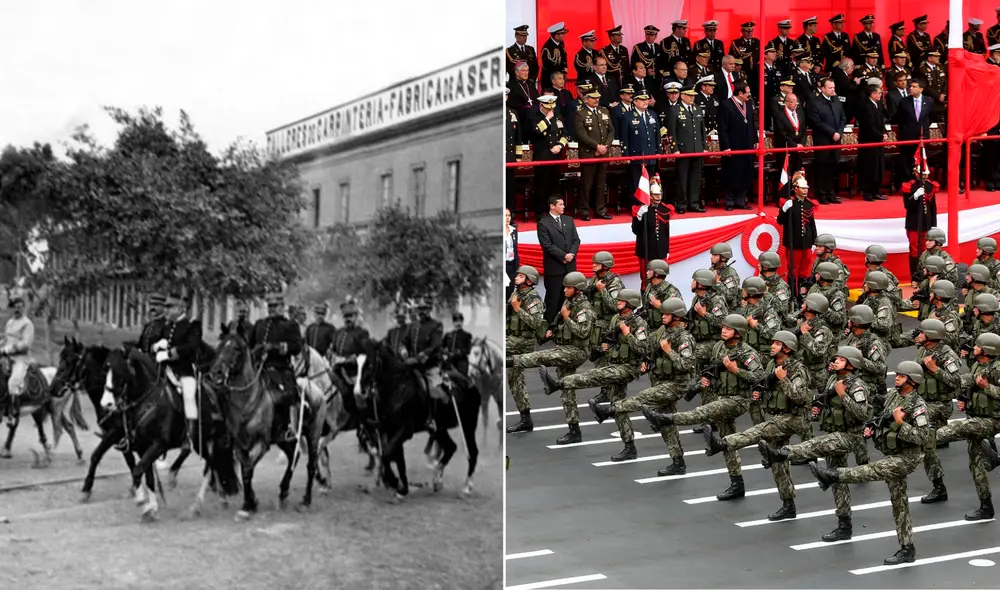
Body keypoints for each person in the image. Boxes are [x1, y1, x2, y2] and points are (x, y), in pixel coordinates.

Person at [807, 360, 930, 565]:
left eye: (902, 376)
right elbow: (882, 416)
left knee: (872, 470)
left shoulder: (918, 406)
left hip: (907, 458)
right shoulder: (893, 395)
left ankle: (833, 475)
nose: (897, 378)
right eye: (897, 375)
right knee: (899, 503)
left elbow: (922, 437)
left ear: (913, 381)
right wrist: (873, 427)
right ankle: (907, 548)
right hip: (893, 454)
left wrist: (901, 424)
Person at [642, 314, 765, 500]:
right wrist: (708, 380)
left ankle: (665, 419)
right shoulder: (718, 347)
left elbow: (760, 378)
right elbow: (712, 370)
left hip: (739, 400)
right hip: (722, 396)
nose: (723, 330)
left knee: (702, 412)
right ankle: (737, 484)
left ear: (738, 333)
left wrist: (736, 370)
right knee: (728, 442)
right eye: (723, 327)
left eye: (728, 328)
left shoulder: (747, 353)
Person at [758, 346, 872, 543]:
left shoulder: (857, 386)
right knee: (837, 480)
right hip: (833, 432)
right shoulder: (833, 379)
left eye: (841, 359)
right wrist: (818, 409)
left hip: (849, 436)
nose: (835, 361)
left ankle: (783, 454)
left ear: (851, 364)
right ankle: (844, 525)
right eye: (836, 358)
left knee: (814, 445)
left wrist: (843, 395)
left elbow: (862, 414)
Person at [706, 331, 810, 519]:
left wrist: (783, 379)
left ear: (787, 349)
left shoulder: (797, 369)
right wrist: (761, 393)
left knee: (758, 431)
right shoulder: (771, 364)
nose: (772, 346)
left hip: (793, 419)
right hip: (778, 416)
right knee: (778, 464)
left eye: (777, 344)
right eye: (772, 343)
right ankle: (788, 505)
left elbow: (799, 397)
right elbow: (768, 387)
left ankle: (723, 444)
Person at [545, 289, 650, 462]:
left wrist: (627, 333)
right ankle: (629, 447)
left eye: (622, 300)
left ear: (630, 304)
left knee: (594, 376)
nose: (617, 302)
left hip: (629, 368)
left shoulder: (639, 323)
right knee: (619, 407)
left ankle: (559, 384)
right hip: (615, 364)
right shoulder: (615, 319)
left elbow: (643, 349)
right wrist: (605, 347)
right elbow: (611, 342)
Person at [507, 272, 594, 444]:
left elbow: (583, 332)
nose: (564, 290)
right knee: (567, 391)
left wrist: (567, 317)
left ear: (577, 289)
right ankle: (574, 431)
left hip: (576, 351)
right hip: (565, 348)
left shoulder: (584, 308)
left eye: (568, 288)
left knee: (542, 356)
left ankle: (509, 361)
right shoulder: (569, 302)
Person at [936, 332, 1000, 520]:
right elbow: (965, 382)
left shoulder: (998, 368)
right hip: (979, 417)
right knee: (976, 465)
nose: (974, 347)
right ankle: (986, 506)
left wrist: (987, 387)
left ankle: (927, 437)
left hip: (993, 420)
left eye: (978, 345)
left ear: (986, 350)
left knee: (956, 429)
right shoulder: (978, 365)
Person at [248, 291, 302, 442]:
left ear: (282, 306)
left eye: (274, 306)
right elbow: (250, 345)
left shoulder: (290, 325)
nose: (271, 309)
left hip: (281, 368)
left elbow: (297, 346)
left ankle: (290, 427)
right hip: (260, 369)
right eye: (269, 306)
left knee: (289, 393)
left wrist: (276, 347)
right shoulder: (259, 325)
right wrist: (257, 350)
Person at [152, 292, 203, 450]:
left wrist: (169, 353)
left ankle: (189, 436)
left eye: (170, 307)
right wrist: (156, 346)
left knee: (189, 396)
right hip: (164, 370)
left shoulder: (192, 325)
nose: (166, 310)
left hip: (184, 371)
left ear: (181, 309)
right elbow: (155, 343)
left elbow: (192, 346)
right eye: (166, 307)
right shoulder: (167, 326)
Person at [506, 266, 546, 434]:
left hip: (524, 341)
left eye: (521, 276)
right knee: (514, 379)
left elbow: (536, 323)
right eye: (517, 275)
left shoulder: (533, 299)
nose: (516, 278)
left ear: (529, 281)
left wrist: (518, 309)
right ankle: (526, 419)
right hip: (512, 338)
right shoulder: (517, 294)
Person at [536, 195, 580, 324]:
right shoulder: (543, 223)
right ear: (552, 206)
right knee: (553, 299)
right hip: (554, 269)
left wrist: (571, 254)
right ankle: (549, 326)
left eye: (563, 204)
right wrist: (563, 256)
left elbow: (576, 240)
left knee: (569, 300)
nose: (563, 206)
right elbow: (547, 245)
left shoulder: (569, 220)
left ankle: (565, 325)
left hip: (569, 268)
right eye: (560, 204)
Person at [574, 88, 615, 220]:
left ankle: (600, 210)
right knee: (586, 184)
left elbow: (611, 131)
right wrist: (596, 146)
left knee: (601, 184)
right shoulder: (580, 113)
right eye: (593, 97)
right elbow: (581, 134)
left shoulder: (604, 111)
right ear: (585, 99)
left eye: (597, 97)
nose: (597, 100)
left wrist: (605, 146)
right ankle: (584, 211)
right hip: (589, 154)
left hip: (603, 153)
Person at [717, 82, 756, 210]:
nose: (750, 95)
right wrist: (726, 146)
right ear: (740, 93)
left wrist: (755, 140)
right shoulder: (726, 105)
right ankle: (729, 201)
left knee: (745, 172)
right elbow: (722, 128)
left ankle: (741, 200)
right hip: (732, 146)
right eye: (747, 92)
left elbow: (752, 123)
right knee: (731, 173)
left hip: (747, 145)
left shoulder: (748, 103)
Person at [807, 78, 846, 204]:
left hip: (836, 139)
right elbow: (816, 122)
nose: (833, 90)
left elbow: (843, 118)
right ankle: (821, 194)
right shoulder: (815, 102)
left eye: (833, 87)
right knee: (822, 167)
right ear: (822, 88)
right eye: (830, 88)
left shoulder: (836, 100)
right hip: (823, 139)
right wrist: (832, 133)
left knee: (833, 167)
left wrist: (839, 132)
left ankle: (831, 193)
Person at [777, 173, 817, 296]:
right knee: (793, 271)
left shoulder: (809, 204)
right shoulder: (790, 203)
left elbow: (811, 224)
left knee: (805, 271)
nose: (805, 191)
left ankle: (802, 294)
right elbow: (780, 221)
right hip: (794, 242)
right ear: (795, 189)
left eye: (806, 188)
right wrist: (784, 210)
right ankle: (793, 295)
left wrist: (814, 241)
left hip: (807, 243)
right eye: (802, 188)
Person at [669, 87, 707, 213]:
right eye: (690, 95)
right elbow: (672, 132)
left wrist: (704, 147)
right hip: (683, 150)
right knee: (682, 179)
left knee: (695, 178)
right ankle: (681, 204)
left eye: (693, 95)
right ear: (682, 96)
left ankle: (694, 203)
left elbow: (702, 130)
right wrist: (674, 148)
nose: (692, 98)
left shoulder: (697, 109)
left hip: (697, 149)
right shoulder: (675, 110)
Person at [528, 95, 567, 217]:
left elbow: (565, 135)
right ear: (541, 106)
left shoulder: (558, 117)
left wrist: (559, 146)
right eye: (547, 108)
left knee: (555, 186)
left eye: (552, 107)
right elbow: (536, 130)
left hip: (556, 157)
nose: (550, 110)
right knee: (541, 186)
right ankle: (540, 212)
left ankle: (554, 211)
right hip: (542, 157)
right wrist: (547, 118)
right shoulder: (535, 117)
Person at [621, 92, 663, 207]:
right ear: (635, 101)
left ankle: (649, 204)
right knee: (637, 182)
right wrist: (626, 155)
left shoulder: (652, 114)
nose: (645, 102)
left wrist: (659, 151)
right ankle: (636, 206)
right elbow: (624, 138)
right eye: (642, 100)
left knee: (651, 181)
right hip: (636, 155)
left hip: (651, 154)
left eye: (646, 99)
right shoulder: (627, 116)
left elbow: (657, 135)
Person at [903, 160, 939, 282]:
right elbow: (907, 205)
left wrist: (933, 225)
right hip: (914, 223)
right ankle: (915, 276)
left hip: (926, 223)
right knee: (914, 251)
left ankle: (925, 275)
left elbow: (933, 207)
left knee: (925, 250)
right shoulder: (910, 186)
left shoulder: (930, 186)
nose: (924, 176)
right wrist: (915, 196)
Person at [632, 176, 670, 289]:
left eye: (659, 194)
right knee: (646, 280)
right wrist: (639, 217)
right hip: (646, 250)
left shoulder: (664, 209)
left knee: (660, 278)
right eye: (655, 195)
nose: (658, 197)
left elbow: (666, 232)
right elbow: (636, 230)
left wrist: (667, 249)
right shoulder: (642, 209)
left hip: (660, 250)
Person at [0, 295, 36, 415]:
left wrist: (8, 349)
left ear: (23, 308)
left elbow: (26, 344)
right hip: (6, 357)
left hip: (21, 358)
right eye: (14, 307)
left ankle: (13, 410)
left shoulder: (27, 324)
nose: (17, 309)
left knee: (13, 383)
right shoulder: (10, 322)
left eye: (19, 307)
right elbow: (6, 339)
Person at [895, 79, 934, 184]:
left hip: (922, 136)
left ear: (921, 89)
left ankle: (921, 181)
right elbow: (900, 118)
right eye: (910, 86)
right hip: (907, 135)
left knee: (921, 159)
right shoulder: (904, 102)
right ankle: (908, 182)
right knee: (907, 160)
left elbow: (930, 118)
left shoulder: (929, 101)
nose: (911, 88)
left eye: (914, 86)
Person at [855, 84, 889, 201]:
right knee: (869, 167)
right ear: (872, 94)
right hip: (869, 141)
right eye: (879, 93)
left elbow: (882, 121)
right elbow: (868, 126)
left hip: (879, 141)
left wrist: (884, 133)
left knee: (878, 166)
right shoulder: (865, 106)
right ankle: (868, 192)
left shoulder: (878, 104)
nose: (881, 95)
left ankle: (876, 190)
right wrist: (880, 135)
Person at [772, 92, 806, 203]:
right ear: (786, 103)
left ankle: (796, 196)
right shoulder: (780, 115)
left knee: (797, 173)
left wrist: (801, 143)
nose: (795, 103)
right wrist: (794, 145)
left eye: (796, 101)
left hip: (798, 150)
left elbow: (803, 131)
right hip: (786, 149)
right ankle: (782, 197)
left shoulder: (800, 113)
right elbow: (782, 134)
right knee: (784, 174)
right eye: (792, 101)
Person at [505, 91, 521, 212]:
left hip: (510, 156)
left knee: (510, 187)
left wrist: (518, 155)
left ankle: (509, 214)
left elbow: (518, 136)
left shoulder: (512, 113)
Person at [504, 208, 519, 300]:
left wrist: (517, 268)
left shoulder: (513, 230)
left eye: (509, 215)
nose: (507, 218)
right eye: (505, 215)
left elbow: (515, 249)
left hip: (512, 265)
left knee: (510, 291)